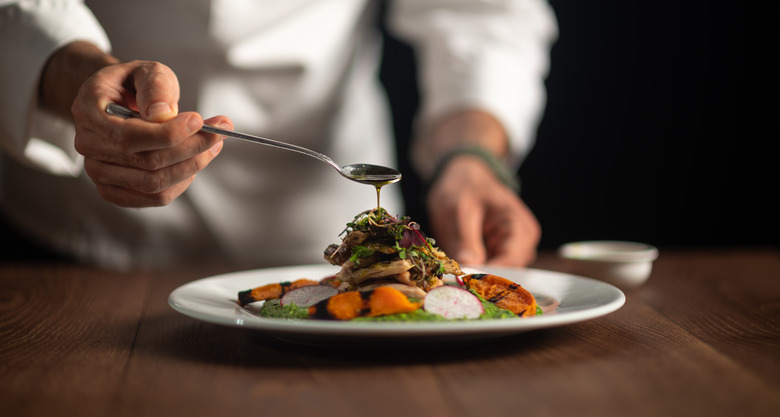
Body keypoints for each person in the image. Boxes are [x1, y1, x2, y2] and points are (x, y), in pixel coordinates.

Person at [0, 0, 557, 270]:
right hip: (81, 236)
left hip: (316, 225)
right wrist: (74, 75)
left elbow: (482, 16)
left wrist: (471, 156)